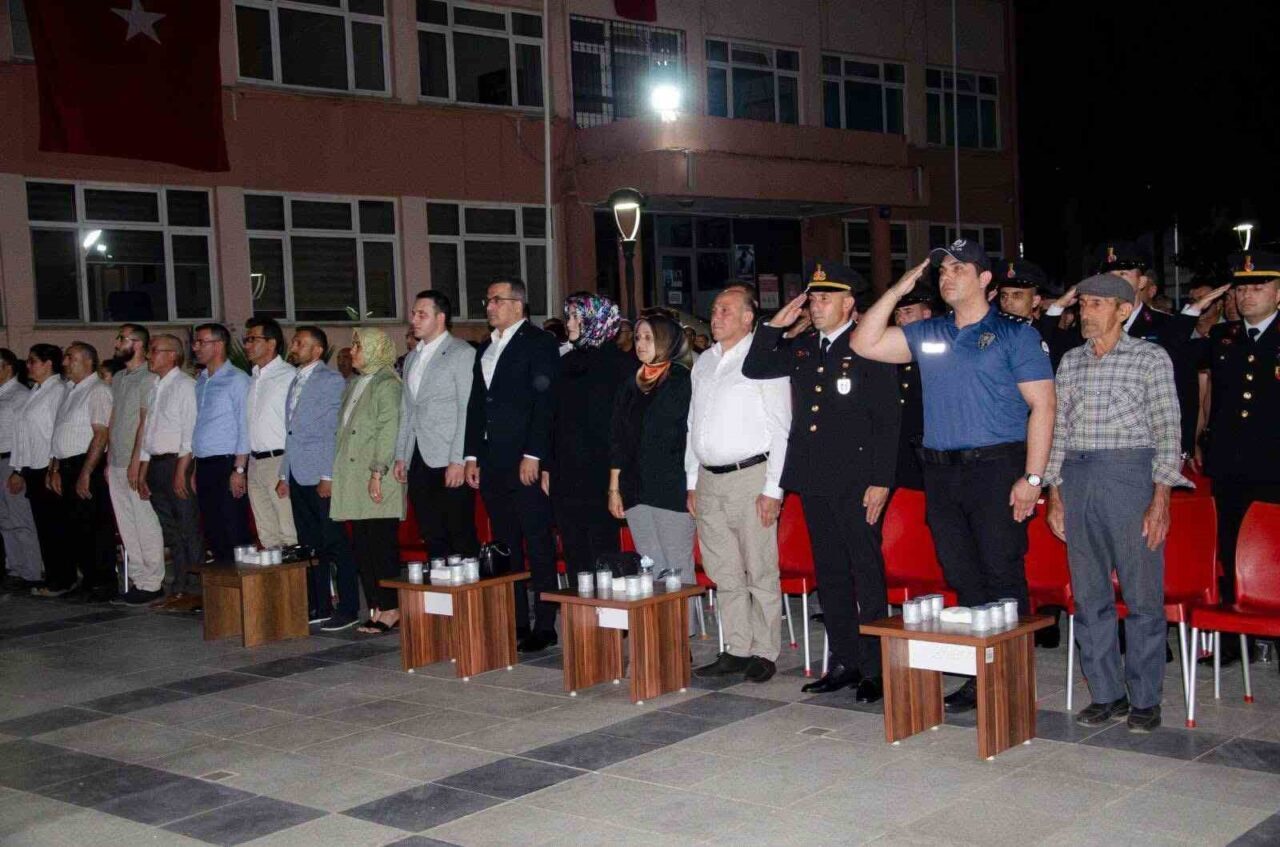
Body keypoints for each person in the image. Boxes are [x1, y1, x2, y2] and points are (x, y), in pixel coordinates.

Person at [851, 239, 1056, 713]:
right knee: (962, 576)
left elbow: (1044, 405)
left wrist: (1032, 478)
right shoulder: (931, 332)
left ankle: (1010, 682)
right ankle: (980, 674)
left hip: (997, 467)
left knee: (1001, 574)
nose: (947, 276)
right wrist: (898, 288)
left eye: (959, 269)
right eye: (942, 270)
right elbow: (864, 343)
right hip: (942, 473)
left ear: (984, 279)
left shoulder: (1014, 334)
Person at [744, 262, 900, 700]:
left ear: (849, 303)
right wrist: (776, 324)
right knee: (830, 572)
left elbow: (888, 418)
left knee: (865, 573)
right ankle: (845, 661)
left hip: (857, 480)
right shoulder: (804, 347)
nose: (815, 305)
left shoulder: (869, 344)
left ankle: (876, 669)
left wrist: (881, 480)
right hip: (814, 477)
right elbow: (756, 366)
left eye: (825, 298)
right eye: (812, 298)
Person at [1044, 273, 1188, 732]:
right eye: (1083, 304)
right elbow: (1058, 431)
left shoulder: (1149, 357)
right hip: (1078, 476)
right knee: (1089, 596)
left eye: (1096, 304)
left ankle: (1145, 698)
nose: (1085, 312)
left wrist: (1161, 498)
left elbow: (1168, 430)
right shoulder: (1071, 361)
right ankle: (1106, 694)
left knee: (1142, 595)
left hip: (1130, 477)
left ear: (1124, 310)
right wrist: (1054, 493)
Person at [686, 287, 791, 683]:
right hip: (709, 479)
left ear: (749, 318)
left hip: (751, 477)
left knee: (760, 568)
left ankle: (764, 650)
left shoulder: (764, 359)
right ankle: (736, 647)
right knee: (723, 570)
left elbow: (781, 429)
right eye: (714, 310)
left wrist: (774, 489)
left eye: (726, 310)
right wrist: (692, 480)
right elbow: (693, 425)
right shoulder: (704, 362)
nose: (716, 317)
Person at [464, 277, 561, 652]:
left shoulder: (539, 342)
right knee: (505, 543)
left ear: (518, 305)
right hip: (492, 459)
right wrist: (472, 454)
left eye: (496, 300)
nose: (489, 307)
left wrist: (534, 454)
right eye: (487, 300)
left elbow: (545, 403)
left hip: (524, 457)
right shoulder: (486, 346)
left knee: (537, 539)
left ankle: (546, 623)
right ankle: (518, 619)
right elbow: (477, 403)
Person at [1199, 252, 1280, 647]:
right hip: (1230, 462)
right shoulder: (1223, 336)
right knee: (1231, 546)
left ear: (1278, 293)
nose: (1247, 296)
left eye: (1258, 288)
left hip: (1275, 463)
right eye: (1242, 288)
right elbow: (1210, 392)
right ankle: (1235, 637)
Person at [610, 313, 696, 619]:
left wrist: (693, 485)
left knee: (676, 564)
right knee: (649, 562)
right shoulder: (630, 383)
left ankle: (681, 632)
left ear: (667, 341)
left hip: (671, 484)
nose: (641, 344)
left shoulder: (682, 381)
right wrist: (614, 488)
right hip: (635, 486)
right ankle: (658, 630)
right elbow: (618, 438)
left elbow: (689, 435)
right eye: (638, 338)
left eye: (649, 337)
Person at [544, 292, 630, 590]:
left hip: (602, 473)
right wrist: (548, 467)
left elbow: (622, 428)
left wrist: (617, 479)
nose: (568, 323)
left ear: (595, 321)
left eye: (574, 317)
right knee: (574, 550)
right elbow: (552, 420)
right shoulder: (565, 363)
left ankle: (606, 613)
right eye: (568, 316)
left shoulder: (620, 365)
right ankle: (579, 614)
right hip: (566, 473)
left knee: (602, 551)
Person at [280, 326, 361, 631]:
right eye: (294, 342)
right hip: (298, 471)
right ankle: (321, 604)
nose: (293, 347)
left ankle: (349, 607)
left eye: (300, 343)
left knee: (334, 541)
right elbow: (291, 432)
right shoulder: (295, 379)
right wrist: (284, 472)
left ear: (317, 350)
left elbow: (333, 430)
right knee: (310, 543)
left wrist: (328, 474)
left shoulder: (331, 380)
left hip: (320, 474)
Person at [330, 328, 405, 635]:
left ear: (375, 349)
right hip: (355, 476)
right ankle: (376, 605)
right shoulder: (355, 382)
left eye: (358, 346)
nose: (352, 351)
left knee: (380, 545)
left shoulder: (387, 383)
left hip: (377, 475)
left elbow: (389, 431)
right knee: (363, 546)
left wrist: (377, 472)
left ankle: (391, 608)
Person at [394, 291, 479, 562]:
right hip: (418, 455)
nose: (414, 320)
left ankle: (469, 585)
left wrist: (459, 459)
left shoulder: (461, 353)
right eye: (413, 314)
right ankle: (440, 585)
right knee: (431, 530)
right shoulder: (411, 358)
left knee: (459, 529)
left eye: (422, 314)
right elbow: (407, 409)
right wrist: (401, 455)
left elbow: (467, 409)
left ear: (440, 318)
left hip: (448, 454)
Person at [49, 342, 116, 601]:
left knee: (94, 525)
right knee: (75, 527)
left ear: (88, 361)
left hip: (87, 463)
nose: (65, 362)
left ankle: (101, 583)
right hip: (67, 465)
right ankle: (87, 580)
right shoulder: (70, 390)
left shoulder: (98, 390)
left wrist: (86, 472)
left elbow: (101, 434)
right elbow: (61, 432)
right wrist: (54, 468)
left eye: (71, 358)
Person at [138, 335, 201, 608]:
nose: (148, 355)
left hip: (177, 463)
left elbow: (190, 432)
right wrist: (142, 471)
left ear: (173, 355)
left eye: (154, 350)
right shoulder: (156, 386)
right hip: (156, 464)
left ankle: (196, 590)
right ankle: (179, 587)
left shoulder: (185, 385)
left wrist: (181, 471)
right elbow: (148, 433)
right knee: (171, 531)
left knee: (188, 527)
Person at [105, 325, 165, 605]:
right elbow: (115, 419)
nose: (117, 343)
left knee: (144, 522)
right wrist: (109, 459)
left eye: (122, 339)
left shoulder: (149, 378)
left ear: (138, 344)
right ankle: (139, 581)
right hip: (116, 460)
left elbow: (145, 422)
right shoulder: (119, 377)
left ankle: (153, 583)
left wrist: (135, 462)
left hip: (136, 461)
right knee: (126, 524)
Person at [191, 323, 252, 562]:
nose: (196, 347)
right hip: (204, 464)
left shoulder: (237, 379)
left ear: (218, 345)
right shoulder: (201, 380)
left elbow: (244, 426)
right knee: (213, 529)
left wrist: (239, 469)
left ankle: (243, 581)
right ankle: (223, 582)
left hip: (228, 463)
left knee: (233, 527)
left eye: (201, 342)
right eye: (195, 342)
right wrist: (195, 468)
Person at [10, 345, 66, 595]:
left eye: (33, 361)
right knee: (44, 526)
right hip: (33, 466)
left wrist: (54, 468)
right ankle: (53, 576)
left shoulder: (57, 391)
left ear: (48, 364)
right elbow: (23, 434)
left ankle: (61, 579)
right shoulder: (37, 390)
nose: (28, 366)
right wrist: (19, 468)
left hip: (47, 466)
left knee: (55, 525)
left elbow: (56, 432)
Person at [243, 317, 299, 552]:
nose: (246, 345)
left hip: (279, 460)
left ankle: (296, 574)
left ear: (271, 343)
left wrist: (288, 469)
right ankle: (274, 574)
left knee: (288, 530)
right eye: (246, 340)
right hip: (254, 461)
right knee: (266, 533)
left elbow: (297, 425)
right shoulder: (253, 377)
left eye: (252, 339)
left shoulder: (289, 376)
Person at [0, 349, 42, 591]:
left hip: (11, 461)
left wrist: (19, 470)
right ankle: (15, 568)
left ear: (7, 367)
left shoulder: (20, 395)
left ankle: (31, 571)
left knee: (20, 519)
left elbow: (24, 437)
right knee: (5, 520)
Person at [892, 287, 934, 492]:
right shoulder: (890, 349)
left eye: (908, 312)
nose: (901, 319)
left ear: (926, 314)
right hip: (897, 446)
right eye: (897, 313)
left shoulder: (937, 345)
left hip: (928, 446)